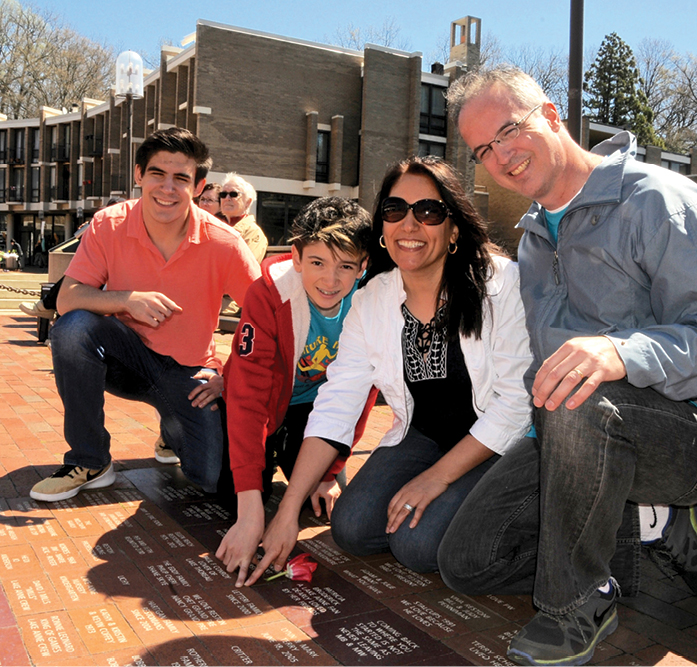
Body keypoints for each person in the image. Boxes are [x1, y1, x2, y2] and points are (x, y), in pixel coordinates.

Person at [447, 66, 697, 666]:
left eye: (509, 130)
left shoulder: (659, 202)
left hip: (694, 435)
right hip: (581, 431)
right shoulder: (535, 240)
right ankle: (652, 524)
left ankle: (578, 602)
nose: (501, 156)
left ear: (550, 115)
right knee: (466, 560)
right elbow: (549, 364)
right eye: (483, 150)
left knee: (582, 396)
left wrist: (623, 351)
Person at [248, 156, 534, 585]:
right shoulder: (373, 299)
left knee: (418, 547)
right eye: (395, 210)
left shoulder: (500, 284)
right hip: (424, 435)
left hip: (497, 443)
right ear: (382, 226)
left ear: (454, 226)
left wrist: (435, 480)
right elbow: (338, 401)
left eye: (429, 211)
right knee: (353, 527)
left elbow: (515, 406)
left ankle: (542, 528)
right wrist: (287, 511)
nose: (410, 224)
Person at [29, 127, 261, 503]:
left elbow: (267, 318)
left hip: (189, 372)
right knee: (73, 329)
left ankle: (172, 431)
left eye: (181, 178)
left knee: (212, 479)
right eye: (157, 174)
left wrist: (229, 375)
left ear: (199, 187)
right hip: (125, 360)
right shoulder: (109, 224)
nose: (167, 188)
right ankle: (90, 460)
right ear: (139, 175)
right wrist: (127, 300)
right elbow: (68, 297)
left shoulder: (225, 243)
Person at [216, 196, 378, 587]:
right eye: (318, 263)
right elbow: (250, 399)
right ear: (296, 256)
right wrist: (250, 505)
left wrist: (331, 471)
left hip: (313, 412)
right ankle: (180, 434)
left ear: (364, 266)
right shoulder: (270, 293)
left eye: (346, 267)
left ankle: (287, 463)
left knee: (317, 502)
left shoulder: (372, 301)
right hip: (264, 404)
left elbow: (361, 398)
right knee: (223, 489)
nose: (330, 280)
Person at [220, 174, 267, 263]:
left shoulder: (253, 232)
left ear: (247, 202)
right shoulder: (216, 225)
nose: (227, 198)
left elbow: (246, 266)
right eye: (223, 194)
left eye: (233, 194)